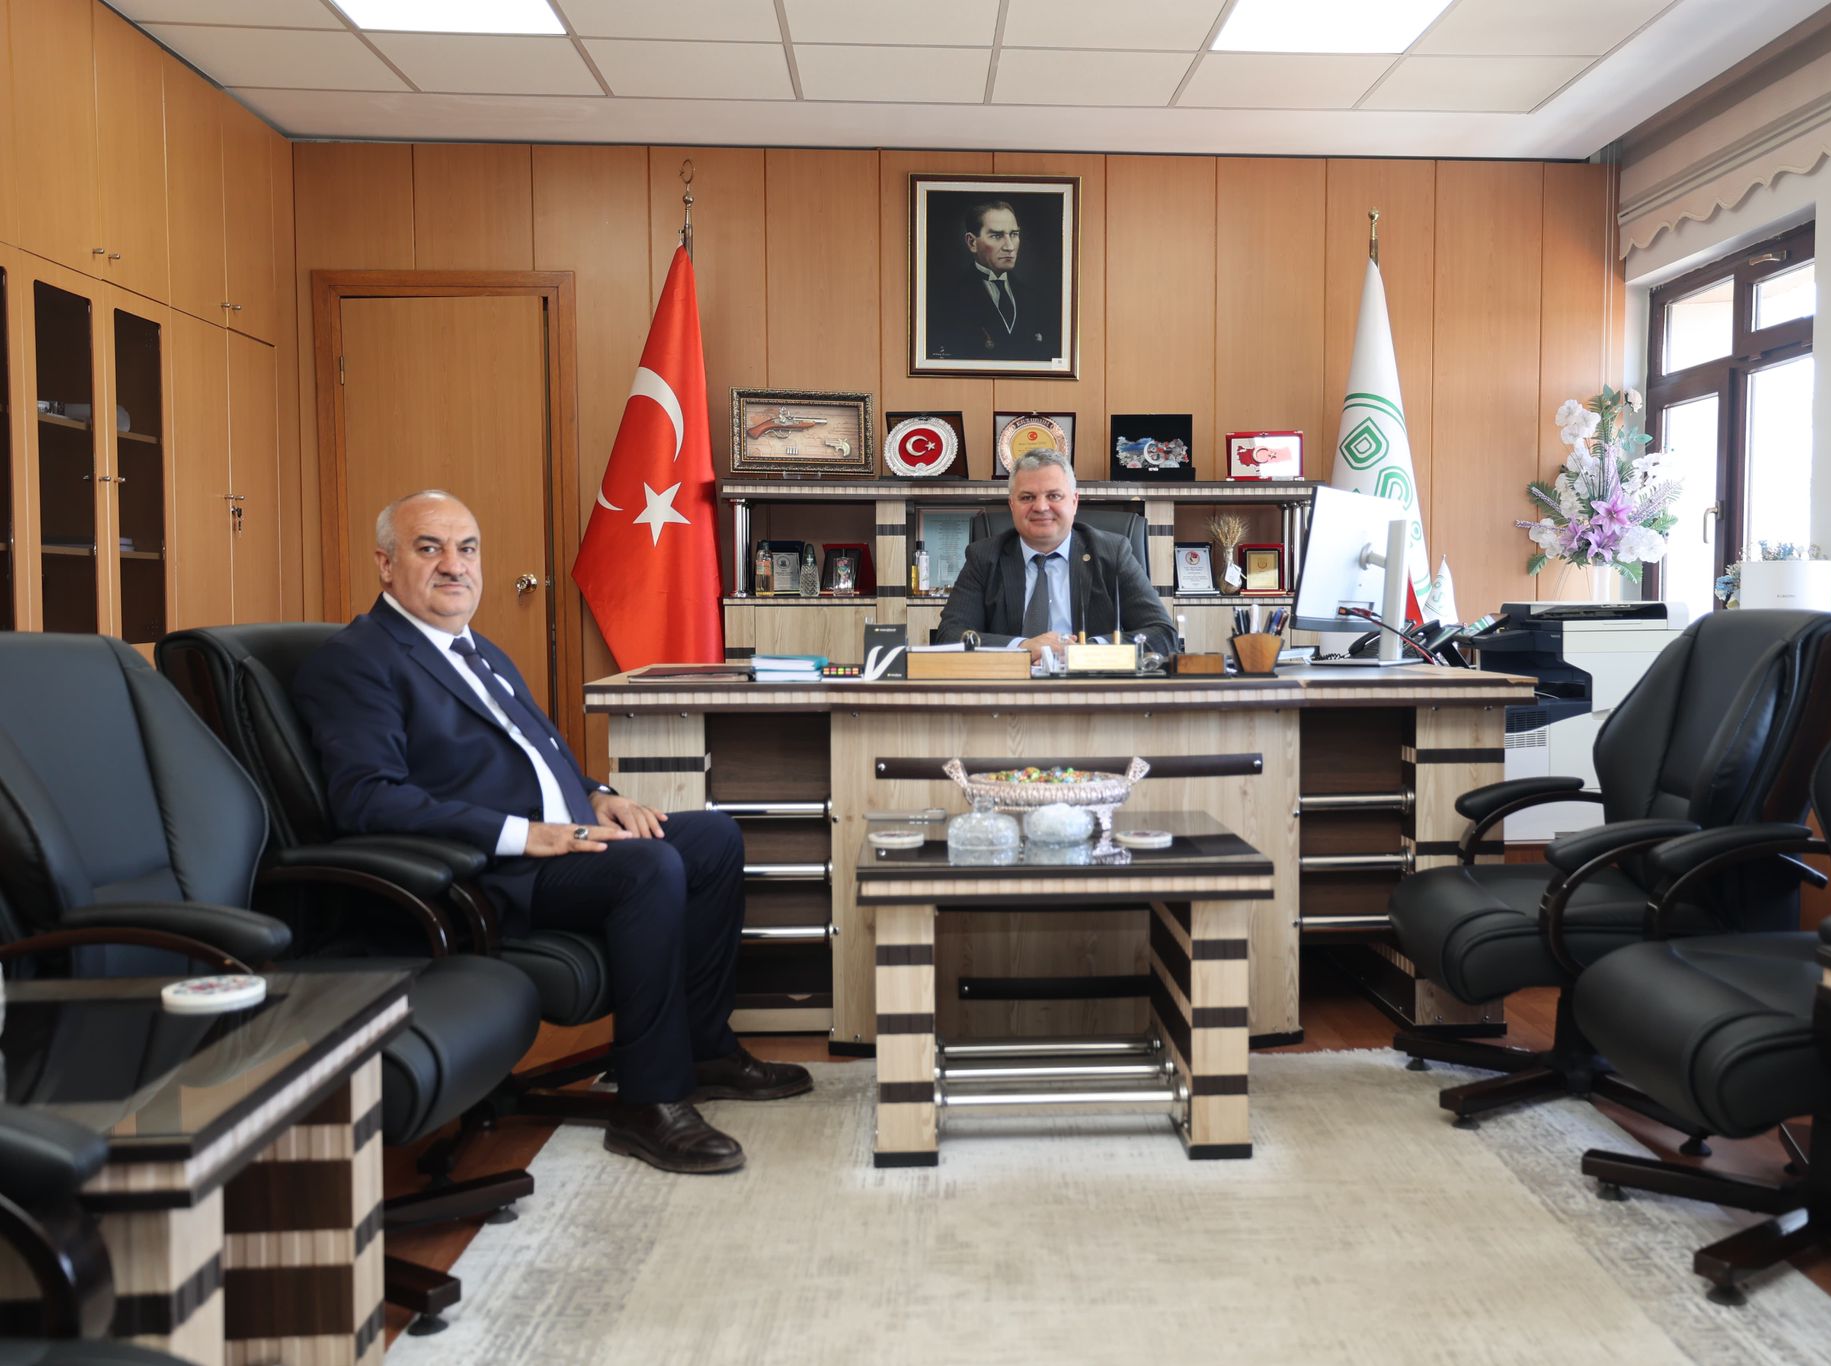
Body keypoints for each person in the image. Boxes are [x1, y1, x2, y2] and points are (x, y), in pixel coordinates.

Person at [294, 490, 810, 1177]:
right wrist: (522, 834)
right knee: (649, 867)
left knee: (712, 839)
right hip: (483, 872)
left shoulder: (478, 650)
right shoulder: (358, 659)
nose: (454, 565)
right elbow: (366, 799)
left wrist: (599, 796)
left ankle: (705, 1050)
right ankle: (648, 1102)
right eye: (429, 548)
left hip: (558, 842)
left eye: (467, 549)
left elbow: (539, 758)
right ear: (386, 565)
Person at [935, 451, 1176, 659]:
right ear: (1012, 505)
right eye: (1027, 497)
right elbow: (949, 636)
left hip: (1090, 687)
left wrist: (1087, 651)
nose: (1041, 507)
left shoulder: (1112, 553)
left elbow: (1163, 635)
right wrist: (1022, 647)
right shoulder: (984, 557)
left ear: (1074, 501)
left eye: (1054, 496)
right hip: (1009, 690)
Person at [926, 199, 1059, 363]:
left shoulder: (1036, 300)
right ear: (972, 242)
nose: (1010, 246)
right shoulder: (946, 301)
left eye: (1014, 234)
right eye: (996, 236)